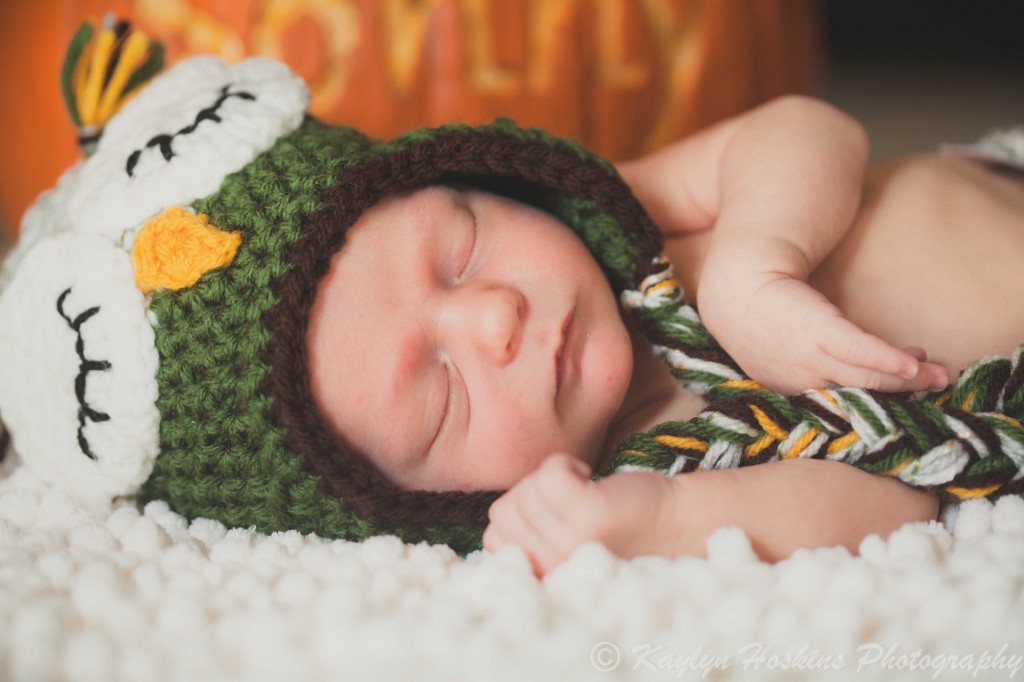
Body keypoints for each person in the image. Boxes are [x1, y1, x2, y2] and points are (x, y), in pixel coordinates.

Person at [305, 95, 1024, 575]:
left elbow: (810, 126)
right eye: (443, 397)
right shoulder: (659, 467)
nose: (493, 318)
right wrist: (661, 523)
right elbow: (897, 498)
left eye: (462, 250)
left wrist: (754, 263)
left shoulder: (632, 220)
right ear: (432, 511)